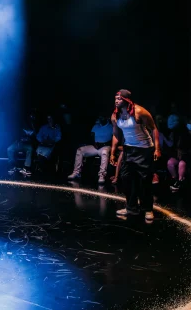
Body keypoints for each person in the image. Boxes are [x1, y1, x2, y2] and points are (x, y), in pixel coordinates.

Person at [110, 89, 161, 222]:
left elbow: (154, 128)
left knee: (144, 181)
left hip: (144, 149)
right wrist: (112, 152)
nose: (116, 101)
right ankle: (131, 207)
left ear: (127, 100)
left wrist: (157, 149)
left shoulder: (139, 112)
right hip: (129, 149)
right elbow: (116, 134)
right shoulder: (115, 115)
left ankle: (147, 209)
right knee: (125, 178)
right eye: (115, 98)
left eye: (119, 98)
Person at [68, 114, 113, 184]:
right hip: (95, 146)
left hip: (105, 146)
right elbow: (92, 136)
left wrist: (104, 144)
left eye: (102, 117)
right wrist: (94, 144)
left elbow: (114, 139)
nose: (101, 119)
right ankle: (76, 172)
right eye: (100, 117)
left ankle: (102, 175)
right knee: (80, 150)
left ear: (106, 118)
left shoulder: (111, 127)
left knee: (104, 152)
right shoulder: (96, 126)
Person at [7, 112, 38, 177]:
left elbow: (35, 137)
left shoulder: (33, 126)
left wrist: (28, 139)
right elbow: (15, 135)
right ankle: (13, 166)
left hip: (27, 144)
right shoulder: (19, 125)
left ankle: (26, 167)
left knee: (30, 149)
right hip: (18, 143)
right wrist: (19, 139)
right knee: (9, 149)